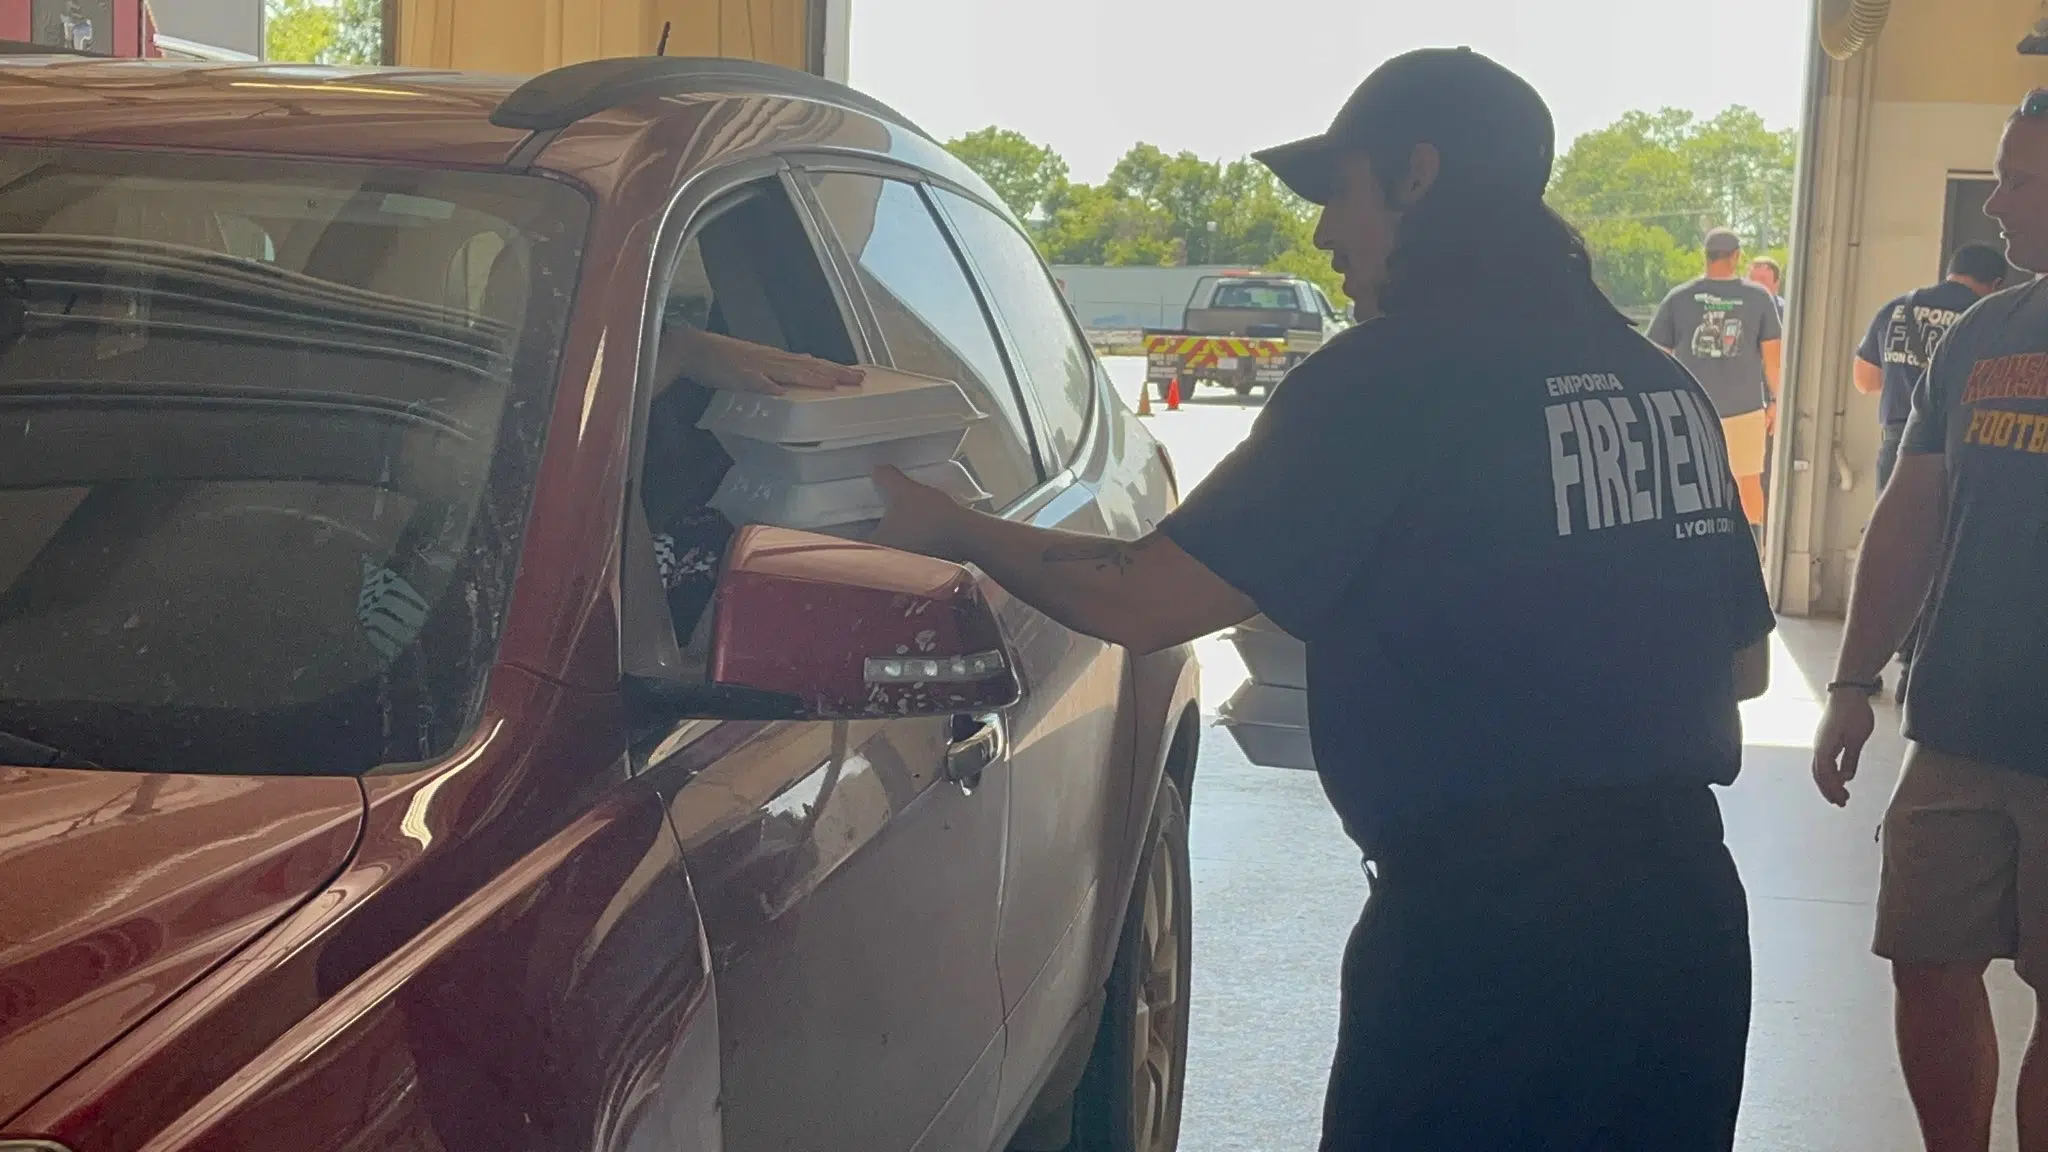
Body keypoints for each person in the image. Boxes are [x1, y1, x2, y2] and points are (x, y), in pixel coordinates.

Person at [873, 46, 1771, 1152]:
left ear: (1415, 176)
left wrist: (941, 523)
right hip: (1684, 935)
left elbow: (1145, 599)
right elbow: (1741, 666)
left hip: (1485, 952)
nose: (1319, 235)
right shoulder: (1656, 384)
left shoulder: (1383, 382)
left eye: (1336, 192)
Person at [1813, 90, 2048, 1152]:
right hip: (1953, 723)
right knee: (1922, 959)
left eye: (2019, 179)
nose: (1993, 202)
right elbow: (1909, 513)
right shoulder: (1982, 331)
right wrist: (1852, 682)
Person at [1849, 243, 2006, 701]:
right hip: (1961, 447)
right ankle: (1915, 667)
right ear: (1995, 282)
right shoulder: (1989, 316)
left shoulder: (1899, 308)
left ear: (1950, 272)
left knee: (1891, 545)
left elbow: (1865, 379)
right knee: (1945, 554)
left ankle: (1867, 664)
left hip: (1897, 443)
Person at [1649, 229, 1785, 531]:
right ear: (1736, 256)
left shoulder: (1679, 298)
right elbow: (1773, 359)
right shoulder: (1759, 297)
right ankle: (1752, 554)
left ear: (1705, 256)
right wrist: (1776, 401)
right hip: (1746, 409)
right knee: (1748, 481)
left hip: (1691, 410)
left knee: (1688, 480)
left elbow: (1656, 356)